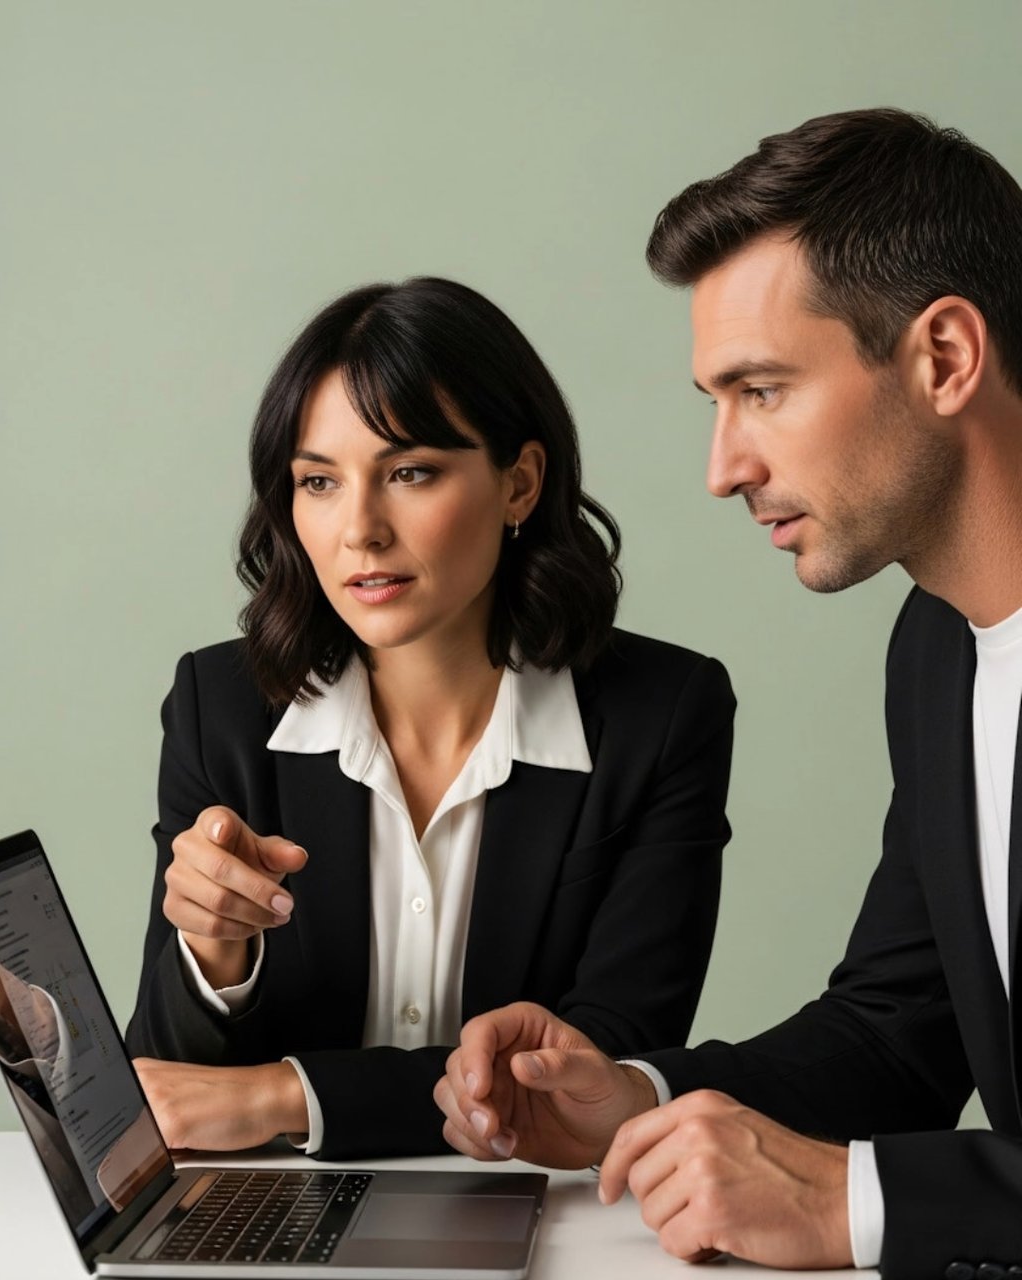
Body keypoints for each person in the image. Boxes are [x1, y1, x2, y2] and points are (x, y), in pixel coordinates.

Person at [434, 109, 1022, 1277]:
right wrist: (631, 1099)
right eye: (716, 399)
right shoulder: (935, 652)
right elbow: (896, 1031)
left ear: (945, 358)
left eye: (762, 390)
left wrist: (856, 1201)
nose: (724, 468)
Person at [124, 276, 735, 1160]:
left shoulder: (664, 715)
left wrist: (286, 1096)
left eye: (409, 473)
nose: (360, 530)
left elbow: (600, 1068)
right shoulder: (218, 706)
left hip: (544, 1202)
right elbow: (166, 1097)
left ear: (520, 483)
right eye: (319, 481)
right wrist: (212, 950)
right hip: (278, 1208)